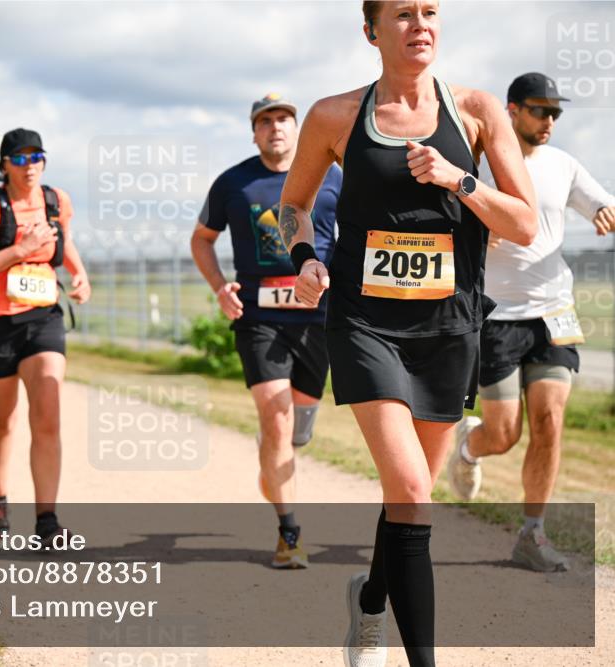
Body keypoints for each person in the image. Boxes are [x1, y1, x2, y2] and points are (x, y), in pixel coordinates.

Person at [279, 2, 538, 665]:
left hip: (449, 327)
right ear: (372, 31)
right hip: (365, 324)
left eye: (430, 11)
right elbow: (294, 204)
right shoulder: (335, 116)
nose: (420, 23)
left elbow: (524, 223)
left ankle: (368, 605)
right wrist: (304, 257)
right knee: (415, 491)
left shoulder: (477, 111)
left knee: (408, 493)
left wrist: (460, 179)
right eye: (402, 13)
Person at [447, 72, 615, 572]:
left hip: (553, 312)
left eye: (555, 113)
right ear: (512, 109)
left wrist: (604, 209)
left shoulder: (563, 165)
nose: (549, 121)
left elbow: (599, 201)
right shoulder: (483, 166)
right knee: (505, 434)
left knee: (550, 422)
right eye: (540, 111)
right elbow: (448, 221)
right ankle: (471, 447)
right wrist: (479, 226)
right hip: (497, 318)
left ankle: (532, 533)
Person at [191, 93, 342, 569]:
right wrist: (220, 288)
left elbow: (355, 236)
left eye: (284, 119)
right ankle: (289, 533)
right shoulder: (233, 183)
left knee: (296, 432)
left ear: (297, 129)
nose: (276, 127)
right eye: (266, 121)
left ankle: (277, 458)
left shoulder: (331, 175)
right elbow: (201, 240)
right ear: (254, 132)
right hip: (259, 319)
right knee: (276, 419)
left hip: (317, 319)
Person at [0, 128, 91, 546]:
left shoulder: (56, 200)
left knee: (47, 416)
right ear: (4, 166)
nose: (29, 166)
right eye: (19, 159)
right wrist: (21, 249)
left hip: (43, 319)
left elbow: (64, 240)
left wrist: (78, 271)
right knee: (2, 421)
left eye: (36, 157)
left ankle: (47, 522)